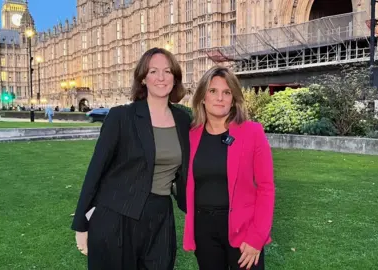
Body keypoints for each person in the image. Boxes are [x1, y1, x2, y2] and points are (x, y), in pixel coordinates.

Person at [71, 47, 190, 270]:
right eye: (153, 71)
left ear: (175, 77)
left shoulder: (184, 120)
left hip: (160, 217)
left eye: (167, 71)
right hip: (116, 216)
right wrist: (81, 224)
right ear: (143, 78)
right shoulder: (121, 117)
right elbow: (96, 170)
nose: (161, 77)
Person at [183, 66, 275, 270]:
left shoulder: (252, 132)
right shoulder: (191, 135)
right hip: (204, 231)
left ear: (233, 99)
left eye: (226, 92)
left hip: (244, 233)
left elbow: (266, 188)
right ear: (202, 97)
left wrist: (257, 237)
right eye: (213, 91)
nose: (220, 98)